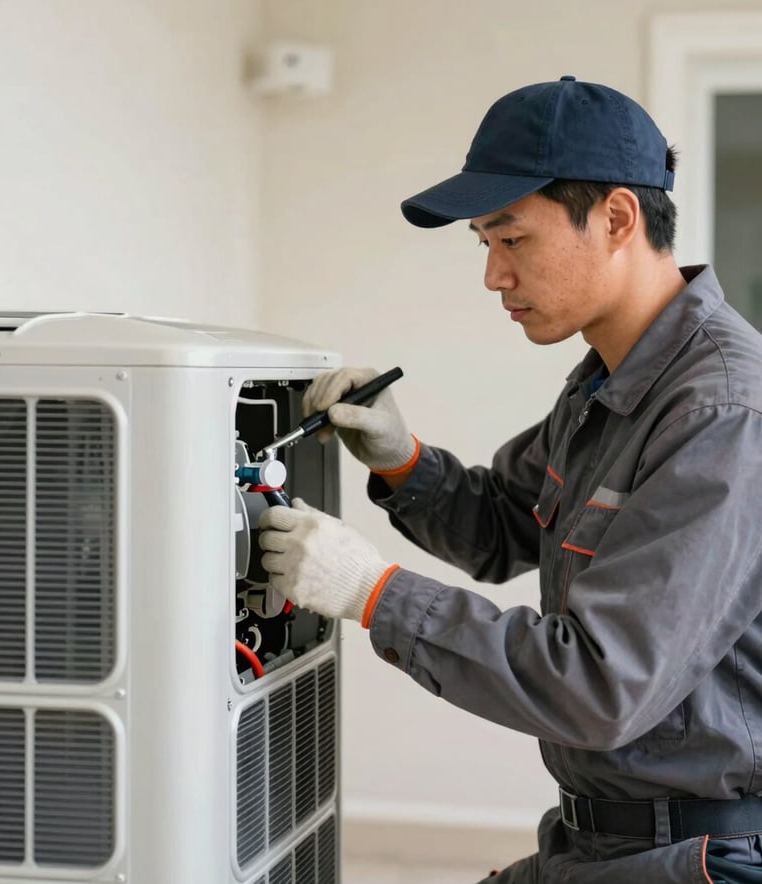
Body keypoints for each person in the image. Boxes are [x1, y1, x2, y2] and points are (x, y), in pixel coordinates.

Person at [257, 75, 762, 883]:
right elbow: (503, 525)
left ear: (618, 218)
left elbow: (599, 683)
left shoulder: (720, 414)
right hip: (594, 838)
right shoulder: (609, 380)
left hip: (701, 858)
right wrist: (401, 458)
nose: (494, 276)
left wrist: (371, 592)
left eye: (512, 239)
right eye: (484, 246)